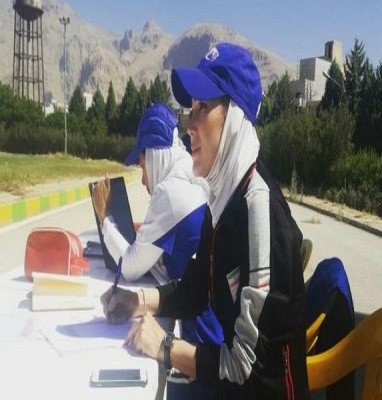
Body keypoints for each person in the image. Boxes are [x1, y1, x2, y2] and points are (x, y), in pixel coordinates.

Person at [102, 44, 309, 400]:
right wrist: (137, 300)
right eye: (190, 110)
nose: (190, 126)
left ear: (234, 119)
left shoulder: (257, 210)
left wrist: (165, 346)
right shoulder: (222, 198)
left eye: (203, 108)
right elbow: (196, 288)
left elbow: (247, 370)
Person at [93, 103, 223, 400]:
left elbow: (129, 267)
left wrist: (105, 220)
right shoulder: (189, 171)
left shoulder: (169, 192)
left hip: (198, 342)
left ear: (153, 155)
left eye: (142, 167)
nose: (143, 180)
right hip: (209, 322)